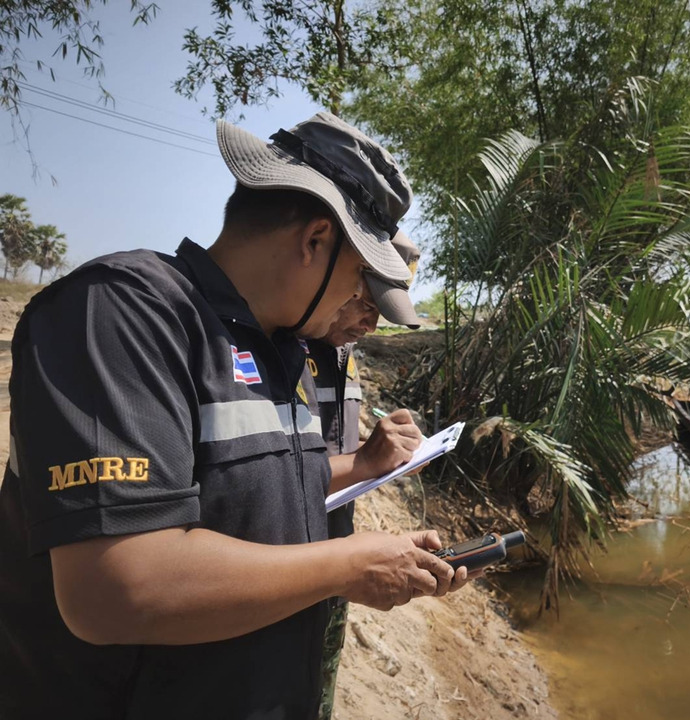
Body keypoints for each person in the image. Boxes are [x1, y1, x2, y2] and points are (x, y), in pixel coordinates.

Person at [0, 113, 470, 720]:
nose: (358, 301)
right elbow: (117, 589)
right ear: (315, 240)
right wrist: (349, 565)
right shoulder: (123, 315)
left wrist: (374, 517)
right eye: (360, 276)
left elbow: (265, 493)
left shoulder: (285, 351)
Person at [303, 230, 423, 719]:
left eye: (380, 313)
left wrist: (383, 454)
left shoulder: (343, 352)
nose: (370, 325)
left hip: (336, 559)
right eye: (366, 304)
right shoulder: (279, 350)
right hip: (284, 566)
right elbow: (271, 476)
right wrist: (363, 462)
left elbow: (331, 452)